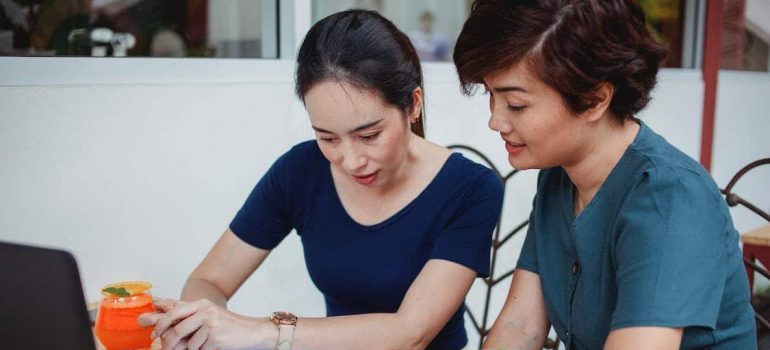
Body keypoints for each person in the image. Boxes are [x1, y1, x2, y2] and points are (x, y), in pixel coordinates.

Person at [138, 9, 503, 350]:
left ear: (413, 105)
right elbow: (209, 281)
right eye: (328, 138)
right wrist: (202, 321)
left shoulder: (472, 188)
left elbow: (410, 333)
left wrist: (265, 330)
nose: (351, 161)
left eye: (369, 135)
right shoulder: (300, 172)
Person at [452, 0, 757, 349]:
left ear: (596, 99)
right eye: (491, 95)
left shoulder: (670, 195)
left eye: (517, 105)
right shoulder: (558, 178)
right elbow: (521, 328)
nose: (496, 121)